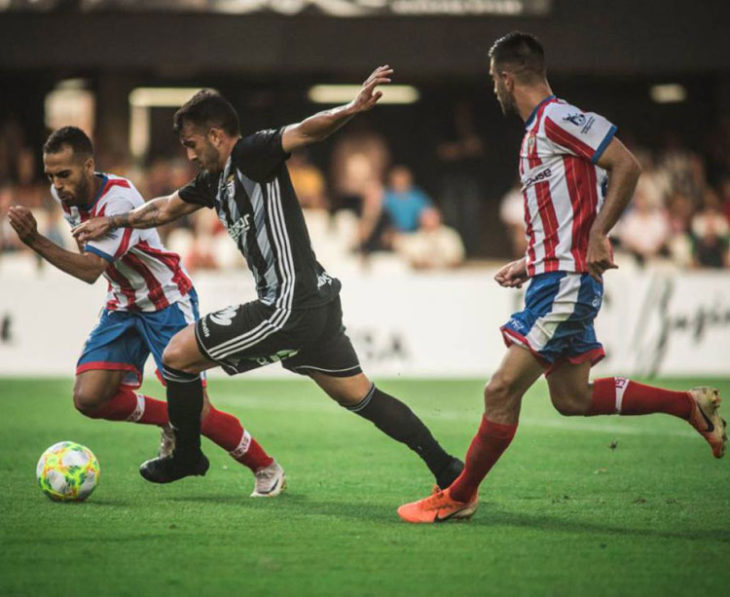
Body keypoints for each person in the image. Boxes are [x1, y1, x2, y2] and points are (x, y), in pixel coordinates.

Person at [73, 66, 463, 488]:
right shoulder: (213, 182)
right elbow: (164, 208)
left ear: (217, 135)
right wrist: (112, 221)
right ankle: (447, 468)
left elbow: (306, 131)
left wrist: (351, 108)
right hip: (314, 304)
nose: (188, 155)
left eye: (191, 144)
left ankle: (186, 455)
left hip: (288, 305)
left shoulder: (252, 153)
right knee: (362, 397)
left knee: (176, 356)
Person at [397, 32, 726, 524]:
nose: (493, 90)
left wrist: (599, 234)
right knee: (573, 398)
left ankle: (459, 494)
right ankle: (688, 405)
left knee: (500, 390)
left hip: (568, 282)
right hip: (553, 275)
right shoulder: (538, 133)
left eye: (493, 81)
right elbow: (569, 212)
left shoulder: (555, 118)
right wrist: (531, 262)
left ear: (507, 78)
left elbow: (627, 164)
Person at [8, 126, 286, 497]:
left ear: (88, 165)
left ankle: (265, 467)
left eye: (64, 174)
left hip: (166, 302)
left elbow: (91, 270)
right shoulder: (68, 198)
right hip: (123, 303)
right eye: (51, 176)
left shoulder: (118, 199)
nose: (57, 184)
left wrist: (34, 241)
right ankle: (172, 421)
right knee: (88, 397)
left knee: (198, 413)